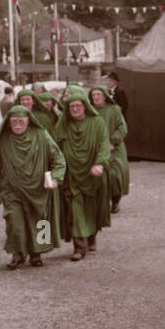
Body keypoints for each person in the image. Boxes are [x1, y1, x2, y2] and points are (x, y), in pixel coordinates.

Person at [0, 103, 65, 269]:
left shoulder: (42, 135)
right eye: (14, 121)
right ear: (8, 122)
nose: (17, 124)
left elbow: (58, 158)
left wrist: (56, 178)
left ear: (29, 121)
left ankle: (37, 253)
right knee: (15, 223)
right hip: (11, 190)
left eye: (21, 121)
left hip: (38, 190)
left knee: (40, 222)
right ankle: (18, 253)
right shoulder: (3, 140)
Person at [53, 85, 110, 260]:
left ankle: (91, 236)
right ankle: (79, 247)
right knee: (74, 210)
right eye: (71, 107)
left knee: (91, 209)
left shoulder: (97, 123)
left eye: (78, 105)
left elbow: (103, 145)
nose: (75, 109)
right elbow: (54, 149)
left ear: (85, 106)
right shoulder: (63, 125)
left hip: (93, 175)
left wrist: (100, 163)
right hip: (72, 176)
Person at [88, 85, 129, 213]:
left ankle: (115, 202)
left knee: (115, 175)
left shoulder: (115, 109)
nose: (95, 97)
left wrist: (113, 141)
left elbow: (122, 127)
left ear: (105, 96)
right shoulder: (89, 111)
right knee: (98, 175)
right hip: (96, 148)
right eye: (93, 95)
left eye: (98, 94)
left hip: (114, 148)